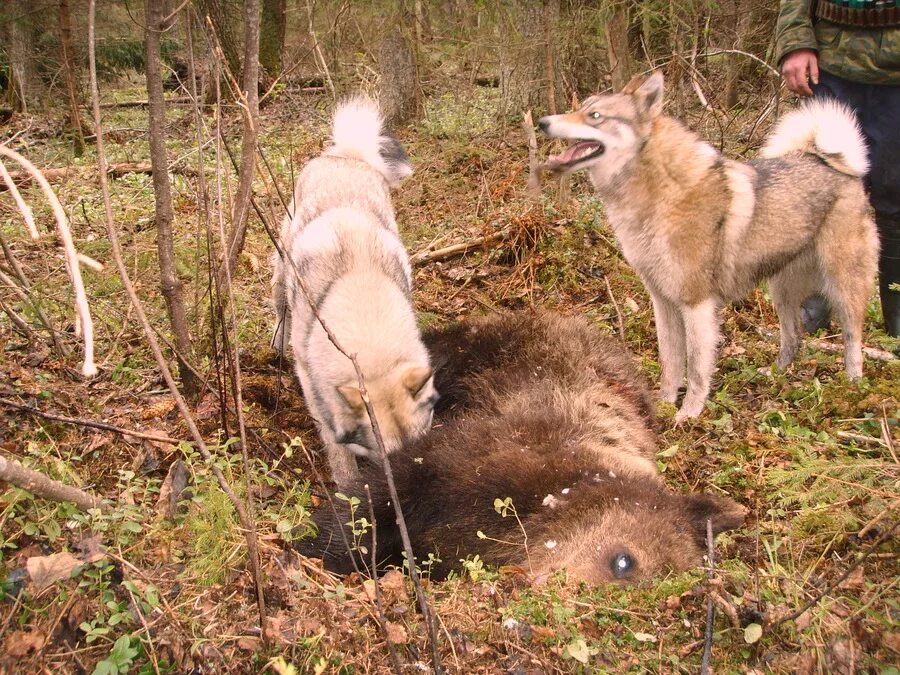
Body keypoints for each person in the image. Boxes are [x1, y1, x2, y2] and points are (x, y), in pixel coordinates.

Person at [775, 0, 900, 338]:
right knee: (818, 191)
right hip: (831, 59)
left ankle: (897, 314)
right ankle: (814, 308)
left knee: (895, 192)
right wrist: (795, 42)